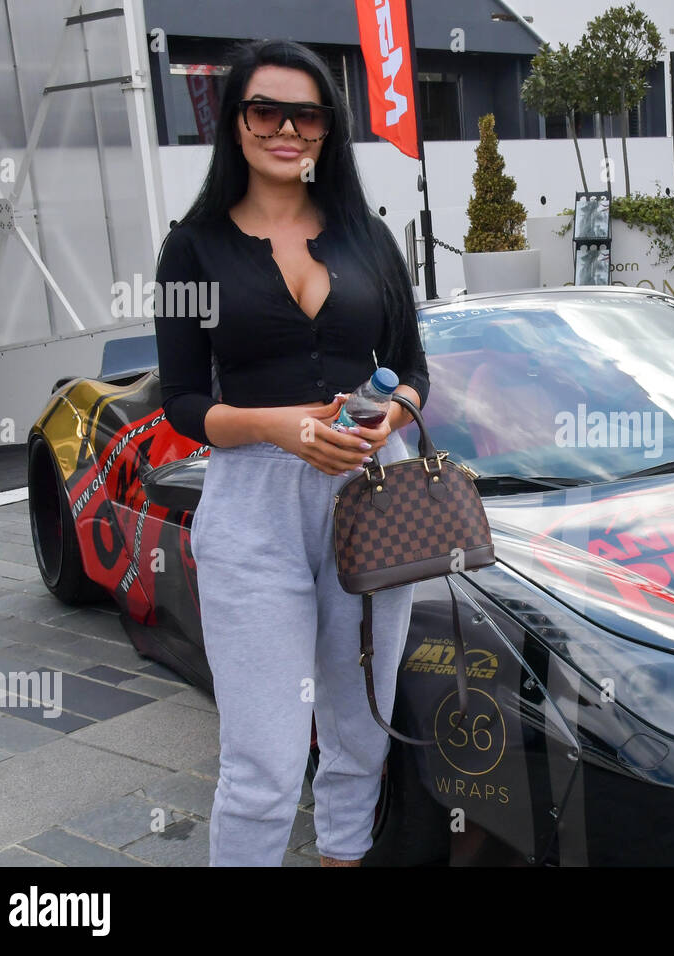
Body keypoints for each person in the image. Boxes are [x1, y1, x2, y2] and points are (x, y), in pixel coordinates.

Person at [152, 38, 430, 867]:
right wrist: (276, 425)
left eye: (305, 113)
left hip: (371, 500)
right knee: (264, 759)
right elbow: (182, 402)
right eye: (263, 110)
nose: (285, 128)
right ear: (235, 122)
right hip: (254, 509)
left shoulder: (368, 238)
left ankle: (342, 857)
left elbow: (412, 366)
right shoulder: (192, 248)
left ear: (327, 129)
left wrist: (396, 417)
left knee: (360, 733)